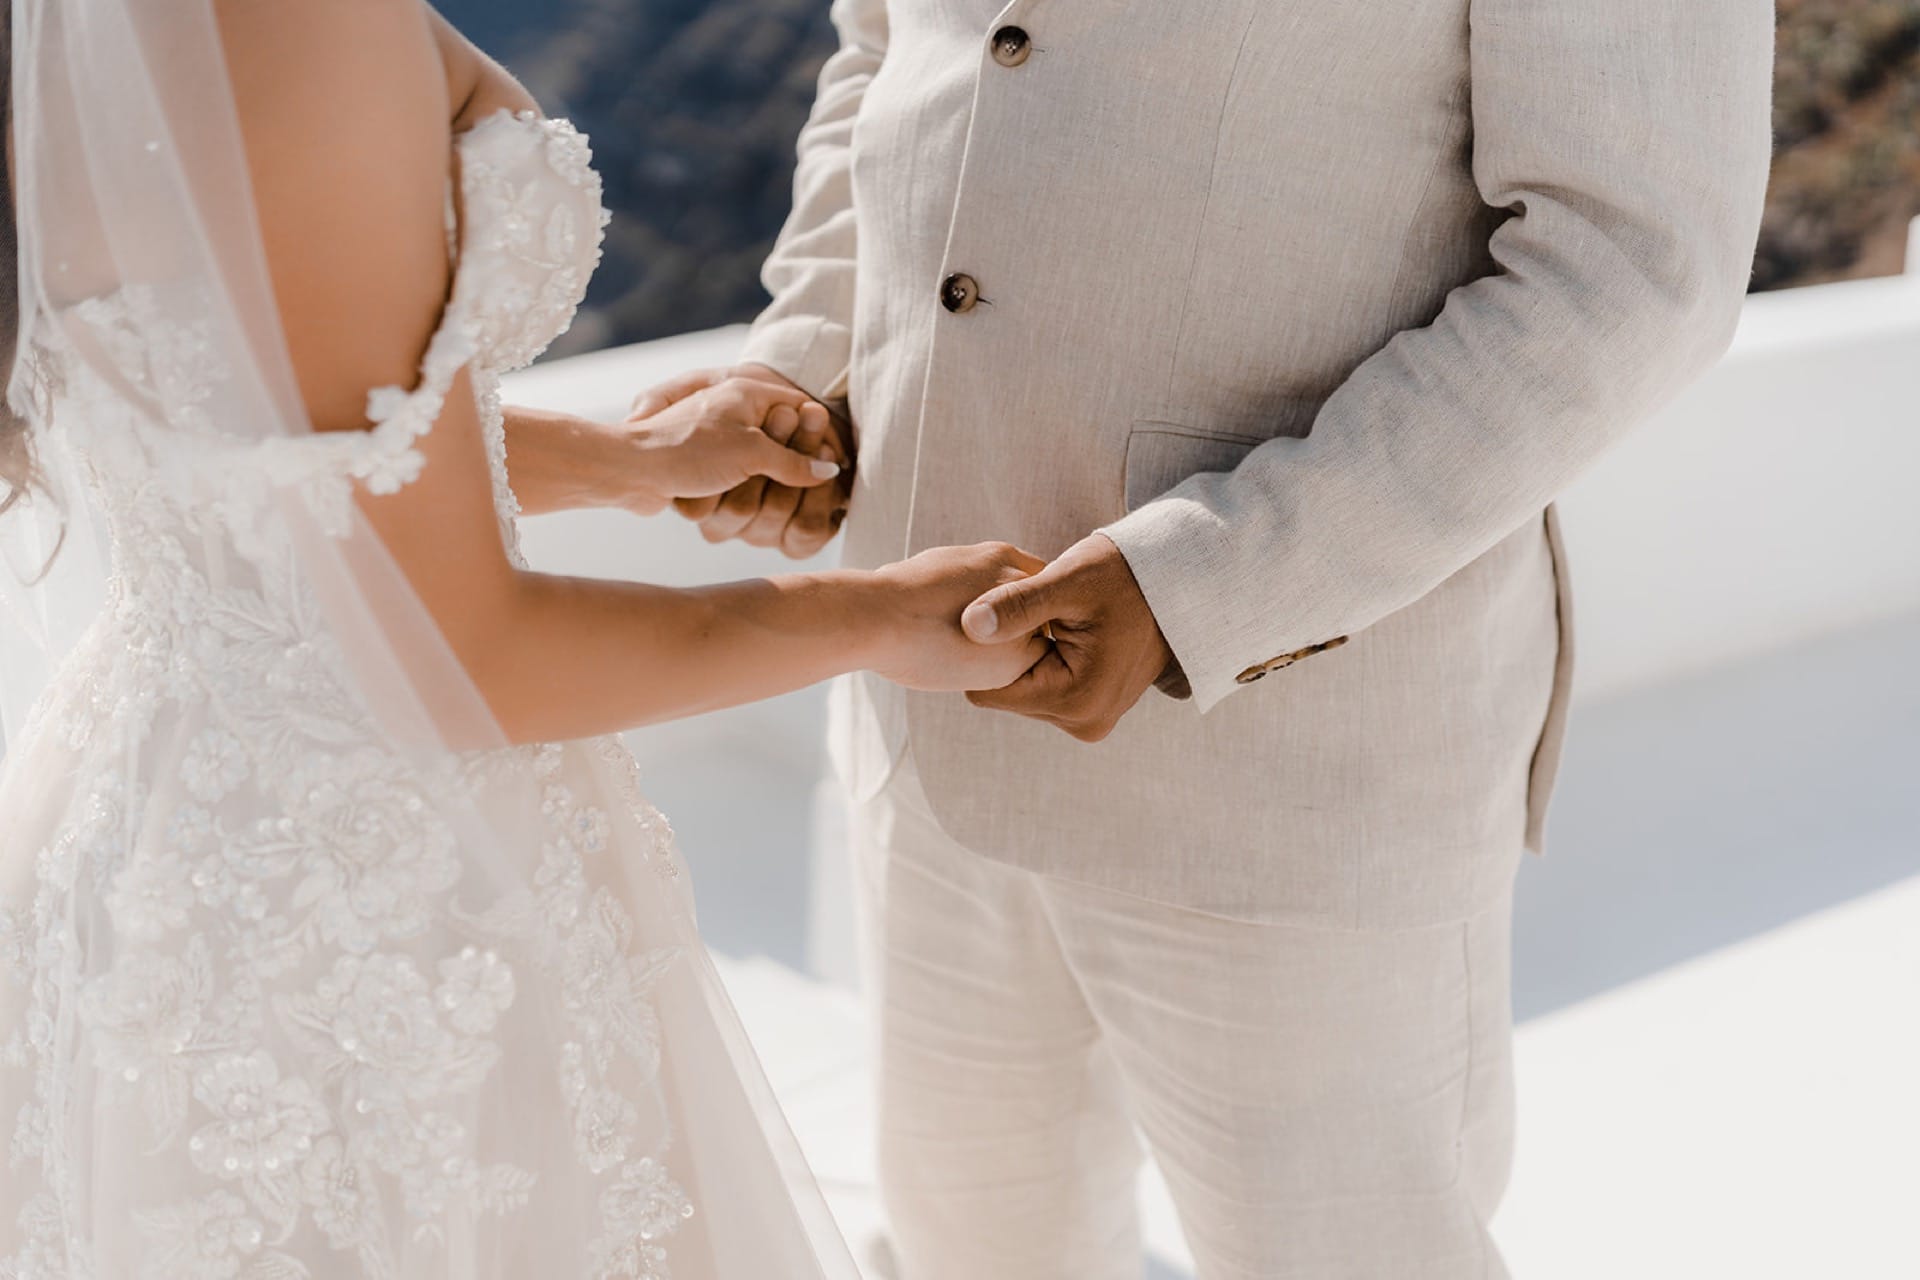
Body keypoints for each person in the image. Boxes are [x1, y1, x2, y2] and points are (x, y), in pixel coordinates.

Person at [639, 0, 1777, 1275]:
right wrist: (814, 363)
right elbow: (892, 47)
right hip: (922, 712)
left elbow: (1632, 263)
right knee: (973, 1246)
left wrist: (1212, 581)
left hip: (1299, 769)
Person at [0, 2, 1043, 1275]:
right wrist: (877, 614)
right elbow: (461, 661)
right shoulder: (290, 24)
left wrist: (632, 459)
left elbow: (265, 431)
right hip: (371, 894)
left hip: (162, 816)